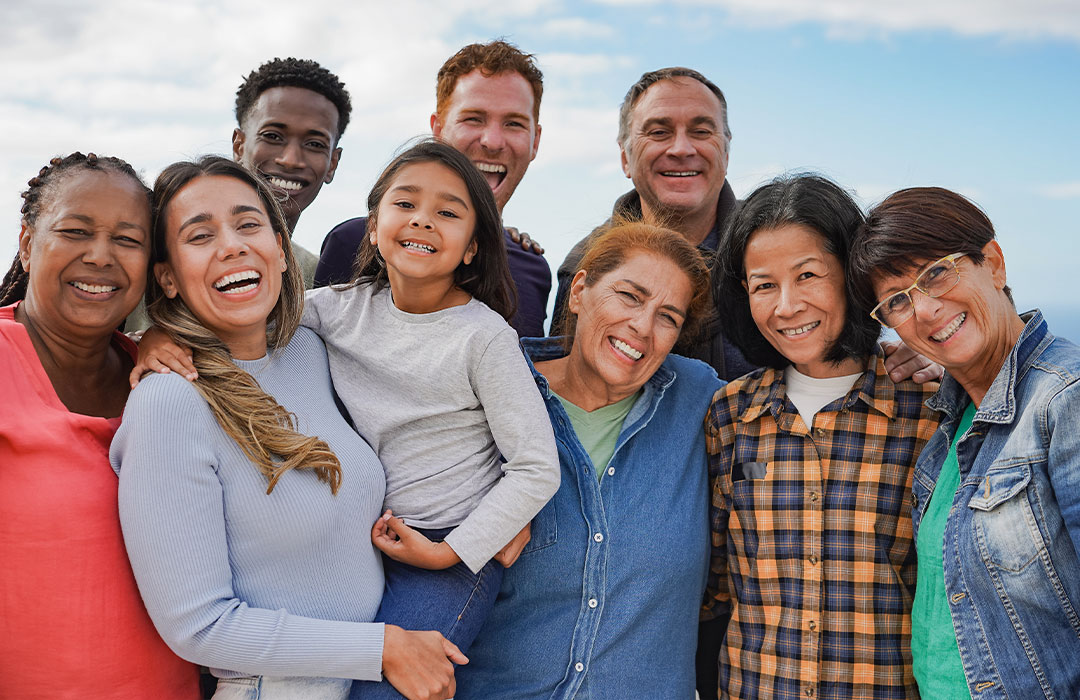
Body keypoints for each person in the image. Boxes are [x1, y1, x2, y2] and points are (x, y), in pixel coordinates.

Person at [113, 156, 465, 700]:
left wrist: (495, 513)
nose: (231, 245)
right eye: (200, 235)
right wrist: (380, 648)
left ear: (280, 248)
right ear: (169, 278)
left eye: (248, 224)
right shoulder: (169, 403)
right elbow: (198, 627)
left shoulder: (311, 349)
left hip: (373, 681)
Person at [302, 139, 558, 699]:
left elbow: (537, 466)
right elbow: (245, 321)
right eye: (405, 204)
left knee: (387, 691)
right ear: (374, 226)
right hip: (358, 538)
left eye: (448, 212)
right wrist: (151, 340)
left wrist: (447, 552)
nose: (423, 219)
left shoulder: (483, 336)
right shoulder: (334, 309)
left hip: (447, 550)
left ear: (471, 248)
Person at [455, 221, 724, 698]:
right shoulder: (490, 389)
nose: (642, 327)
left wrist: (901, 358)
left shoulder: (700, 400)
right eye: (629, 296)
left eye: (668, 317)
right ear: (579, 290)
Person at [703, 175, 940, 699]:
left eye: (807, 275)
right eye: (764, 284)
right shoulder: (730, 416)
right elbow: (715, 582)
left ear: (852, 276)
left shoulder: (927, 409)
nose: (786, 305)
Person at [849, 187, 1080, 698]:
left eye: (937, 272)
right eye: (897, 302)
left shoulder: (1064, 401)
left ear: (993, 264)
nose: (926, 311)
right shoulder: (950, 425)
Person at [0, 152, 201, 698]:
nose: (100, 255)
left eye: (128, 240)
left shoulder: (168, 380)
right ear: (26, 243)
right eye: (75, 231)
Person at [315, 40, 551, 338]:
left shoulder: (533, 269)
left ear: (535, 141)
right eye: (473, 119)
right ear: (438, 129)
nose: (492, 141)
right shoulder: (352, 243)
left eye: (514, 124)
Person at [233, 57, 352, 288]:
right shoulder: (161, 252)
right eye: (272, 136)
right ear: (239, 146)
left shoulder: (317, 282)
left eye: (315, 144)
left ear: (332, 164)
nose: (290, 160)